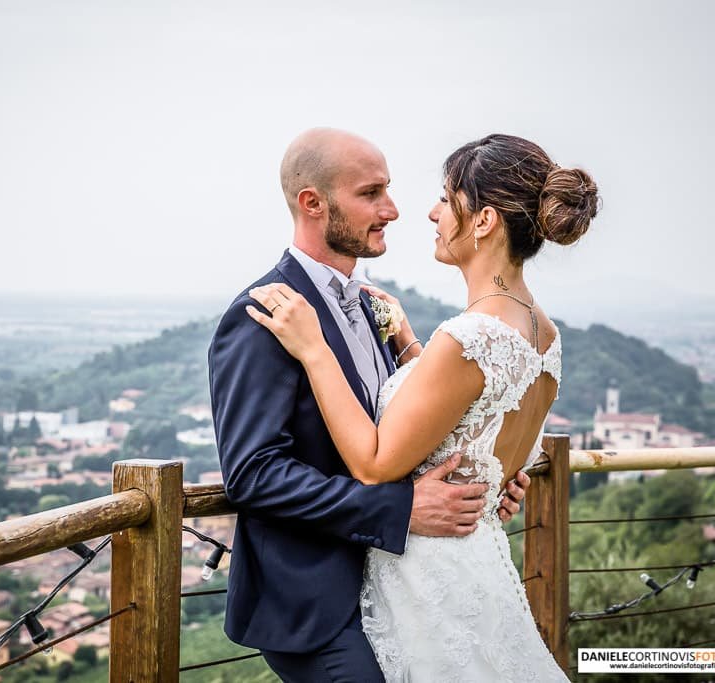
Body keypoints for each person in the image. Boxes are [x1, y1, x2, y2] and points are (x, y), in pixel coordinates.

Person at [246, 133, 599, 680]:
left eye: (446, 197)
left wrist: (315, 350)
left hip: (427, 574)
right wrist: (412, 348)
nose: (430, 212)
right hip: (475, 565)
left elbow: (374, 463)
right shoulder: (544, 333)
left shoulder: (467, 338)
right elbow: (474, 421)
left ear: (482, 221)